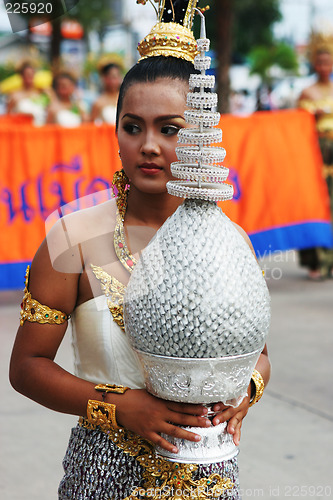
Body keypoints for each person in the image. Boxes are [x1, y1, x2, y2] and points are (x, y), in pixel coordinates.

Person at [9, 2, 271, 498]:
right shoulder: (73, 236)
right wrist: (119, 405)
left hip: (208, 473)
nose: (148, 145)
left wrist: (244, 395)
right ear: (117, 132)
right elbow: (26, 368)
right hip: (105, 473)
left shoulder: (228, 241)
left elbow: (258, 355)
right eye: (133, 127)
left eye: (169, 129)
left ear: (198, 135)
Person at [298, 45, 333, 279]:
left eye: (328, 63)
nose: (324, 67)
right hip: (314, 151)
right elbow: (295, 126)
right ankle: (314, 262)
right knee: (315, 203)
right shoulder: (306, 93)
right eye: (320, 63)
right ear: (314, 64)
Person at [6, 60, 50, 126]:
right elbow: (8, 116)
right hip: (22, 128)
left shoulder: (41, 92)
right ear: (21, 76)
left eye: (32, 74)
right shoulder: (15, 94)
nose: (30, 77)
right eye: (27, 74)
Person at [90, 59, 123, 124]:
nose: (115, 81)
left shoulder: (125, 98)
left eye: (117, 76)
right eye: (112, 77)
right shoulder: (98, 103)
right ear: (104, 78)